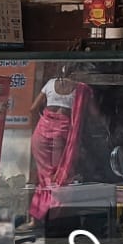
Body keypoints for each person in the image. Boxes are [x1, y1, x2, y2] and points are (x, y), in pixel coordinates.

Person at [29, 72, 80, 221]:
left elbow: (33, 109)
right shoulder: (79, 89)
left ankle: (35, 218)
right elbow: (91, 114)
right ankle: (53, 216)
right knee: (58, 177)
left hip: (41, 132)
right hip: (60, 135)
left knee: (44, 177)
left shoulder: (50, 83)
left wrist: (37, 128)